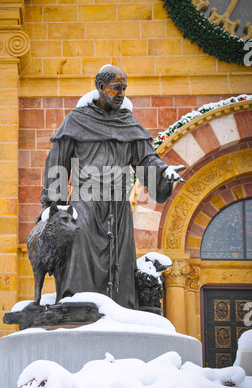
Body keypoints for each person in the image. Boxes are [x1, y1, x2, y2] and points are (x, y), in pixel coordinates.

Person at [39, 65, 185, 309]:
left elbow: (146, 159)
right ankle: (76, 302)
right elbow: (58, 162)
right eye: (116, 88)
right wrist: (55, 206)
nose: (121, 94)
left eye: (124, 89)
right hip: (85, 200)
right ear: (100, 87)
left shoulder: (127, 123)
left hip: (117, 204)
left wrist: (162, 172)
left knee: (119, 259)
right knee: (78, 238)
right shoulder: (77, 120)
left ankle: (119, 310)